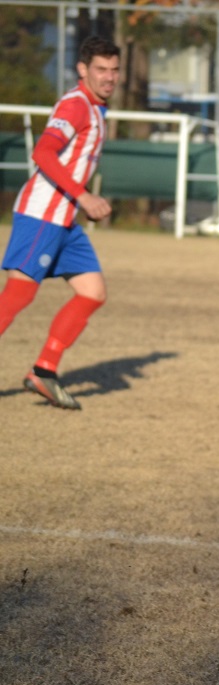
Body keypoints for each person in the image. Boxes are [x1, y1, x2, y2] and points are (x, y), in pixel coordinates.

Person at [0, 36, 120, 411]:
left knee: (92, 292)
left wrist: (78, 201)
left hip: (65, 219)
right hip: (42, 215)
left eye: (115, 70)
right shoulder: (76, 105)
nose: (109, 77)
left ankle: (44, 371)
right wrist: (83, 196)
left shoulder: (97, 108)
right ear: (83, 70)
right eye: (101, 69)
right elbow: (42, 152)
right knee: (19, 295)